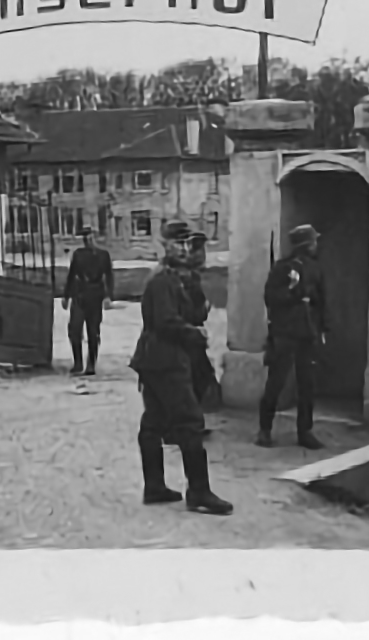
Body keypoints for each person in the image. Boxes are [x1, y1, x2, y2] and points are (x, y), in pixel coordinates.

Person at [129, 221, 233, 516]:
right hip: (165, 358)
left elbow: (192, 312)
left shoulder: (178, 278)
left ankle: (155, 487)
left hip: (158, 358)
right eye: (178, 243)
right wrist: (194, 334)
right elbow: (166, 322)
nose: (185, 249)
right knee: (189, 422)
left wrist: (197, 292)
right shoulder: (162, 279)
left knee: (154, 422)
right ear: (165, 245)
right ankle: (199, 492)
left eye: (187, 243)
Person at [256, 223, 329, 450]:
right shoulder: (282, 269)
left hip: (307, 333)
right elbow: (271, 297)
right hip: (285, 332)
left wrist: (323, 327)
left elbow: (321, 302)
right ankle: (264, 429)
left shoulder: (316, 269)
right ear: (306, 245)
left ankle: (305, 431)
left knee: (307, 384)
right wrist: (293, 292)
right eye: (313, 242)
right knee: (276, 382)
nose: (316, 246)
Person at [62, 225, 114, 376]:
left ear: (96, 238)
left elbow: (109, 276)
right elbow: (71, 276)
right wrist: (66, 297)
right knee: (74, 330)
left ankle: (91, 364)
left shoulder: (103, 255)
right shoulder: (78, 254)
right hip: (80, 295)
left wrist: (108, 296)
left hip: (95, 295)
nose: (88, 240)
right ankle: (78, 362)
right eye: (85, 238)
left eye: (90, 237)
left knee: (93, 332)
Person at [181, 231, 219, 418]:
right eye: (201, 252)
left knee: (198, 373)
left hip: (192, 330)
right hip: (189, 331)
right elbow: (188, 308)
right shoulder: (188, 278)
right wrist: (203, 310)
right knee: (197, 374)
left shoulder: (191, 276)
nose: (203, 258)